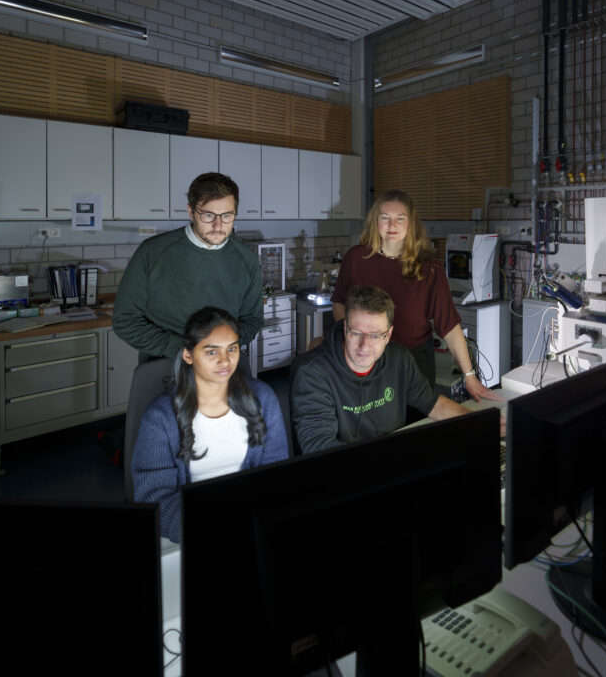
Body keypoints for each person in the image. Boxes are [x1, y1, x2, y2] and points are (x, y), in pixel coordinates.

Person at [331, 190, 502, 415]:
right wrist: (353, 341)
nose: (392, 224)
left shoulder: (429, 268)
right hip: (365, 357)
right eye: (385, 217)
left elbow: (448, 325)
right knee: (368, 424)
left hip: (414, 362)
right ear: (376, 221)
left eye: (400, 218)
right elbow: (339, 302)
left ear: (410, 224)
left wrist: (470, 376)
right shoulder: (356, 258)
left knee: (415, 425)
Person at [132, 307, 288, 542]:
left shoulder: (264, 399)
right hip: (194, 534)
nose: (225, 361)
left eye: (232, 349)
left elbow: (276, 476)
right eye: (211, 352)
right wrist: (213, 527)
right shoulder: (159, 419)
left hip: (252, 527)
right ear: (188, 355)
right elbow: (155, 499)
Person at [290, 285, 489, 454]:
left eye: (376, 335)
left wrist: (482, 423)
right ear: (345, 329)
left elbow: (433, 404)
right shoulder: (312, 373)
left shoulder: (399, 359)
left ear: (388, 335)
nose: (364, 346)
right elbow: (319, 448)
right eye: (357, 333)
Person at [114, 172, 264, 367]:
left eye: (227, 215)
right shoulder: (153, 252)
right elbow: (125, 320)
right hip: (164, 368)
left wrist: (221, 351)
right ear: (191, 211)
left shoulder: (247, 259)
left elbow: (252, 320)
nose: (218, 225)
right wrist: (184, 349)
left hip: (224, 369)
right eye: (208, 215)